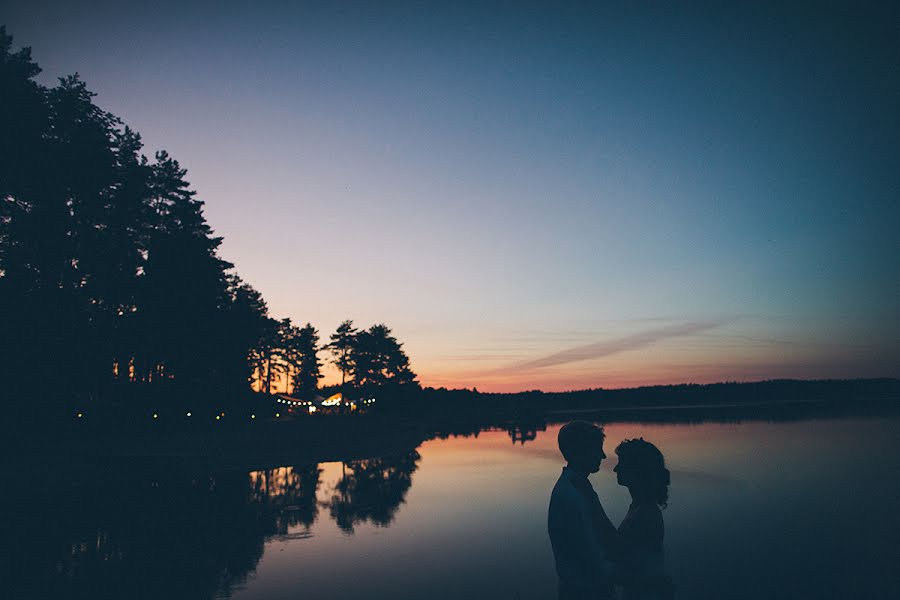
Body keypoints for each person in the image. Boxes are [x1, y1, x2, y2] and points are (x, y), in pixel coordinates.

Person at [548, 421, 618, 599]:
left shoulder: (579, 486)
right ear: (580, 451)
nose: (603, 456)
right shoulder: (570, 495)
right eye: (597, 449)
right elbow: (588, 553)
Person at [613, 438, 674, 600]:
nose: (614, 469)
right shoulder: (640, 508)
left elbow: (642, 572)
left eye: (621, 464)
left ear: (637, 470)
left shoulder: (645, 515)